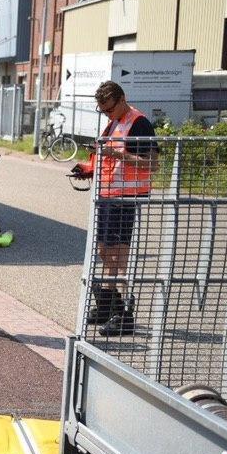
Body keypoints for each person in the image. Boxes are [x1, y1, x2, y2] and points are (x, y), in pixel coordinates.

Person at [70, 80, 158, 336]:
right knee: (105, 251)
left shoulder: (139, 123)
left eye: (109, 109)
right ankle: (108, 305)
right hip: (109, 196)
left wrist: (118, 155)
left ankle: (122, 313)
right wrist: (88, 170)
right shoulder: (115, 122)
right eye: (103, 110)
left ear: (122, 100)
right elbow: (108, 159)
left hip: (126, 197)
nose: (107, 114)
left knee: (118, 255)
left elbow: (152, 164)